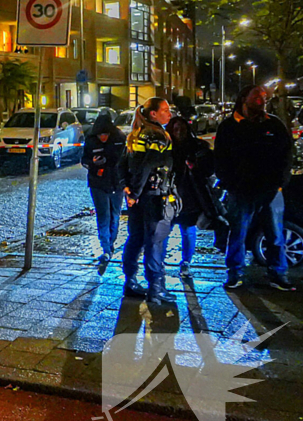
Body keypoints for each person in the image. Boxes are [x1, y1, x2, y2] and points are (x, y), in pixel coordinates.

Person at [214, 84, 294, 290]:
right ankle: (234, 272)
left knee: (275, 234)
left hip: (270, 190)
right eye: (257, 96)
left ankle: (278, 273)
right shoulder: (228, 127)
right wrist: (230, 184)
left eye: (264, 97)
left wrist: (280, 183)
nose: (262, 100)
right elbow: (220, 159)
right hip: (240, 191)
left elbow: (286, 155)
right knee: (238, 233)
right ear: (244, 98)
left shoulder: (274, 125)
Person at [119, 97, 179, 304]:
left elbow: (122, 164)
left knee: (135, 238)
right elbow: (148, 165)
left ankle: (130, 282)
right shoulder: (157, 136)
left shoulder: (136, 134)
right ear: (153, 114)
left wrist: (129, 192)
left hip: (137, 200)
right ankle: (156, 289)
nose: (169, 114)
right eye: (165, 110)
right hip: (154, 197)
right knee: (155, 242)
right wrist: (134, 192)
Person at [168, 115, 217, 278]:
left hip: (190, 195)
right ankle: (158, 261)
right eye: (175, 129)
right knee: (163, 230)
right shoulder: (166, 147)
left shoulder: (197, 147)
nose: (179, 132)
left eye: (181, 128)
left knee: (188, 230)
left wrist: (196, 167)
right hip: (169, 195)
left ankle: (186, 262)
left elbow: (209, 169)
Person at [82, 109, 125, 267]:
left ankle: (110, 243)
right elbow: (84, 159)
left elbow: (124, 159)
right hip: (98, 183)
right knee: (103, 216)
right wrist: (93, 162)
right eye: (101, 134)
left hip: (117, 182)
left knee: (115, 214)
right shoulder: (91, 139)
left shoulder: (119, 138)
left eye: (106, 134)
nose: (103, 137)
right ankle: (106, 248)